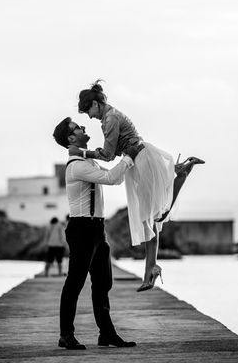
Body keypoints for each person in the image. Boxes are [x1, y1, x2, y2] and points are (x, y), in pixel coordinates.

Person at [71, 80, 205, 291]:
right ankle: (150, 268)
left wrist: (83, 153)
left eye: (88, 110)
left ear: (95, 104)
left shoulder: (110, 119)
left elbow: (107, 155)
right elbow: (114, 151)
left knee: (150, 217)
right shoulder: (110, 116)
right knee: (153, 217)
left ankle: (150, 269)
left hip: (140, 161)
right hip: (139, 158)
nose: (89, 116)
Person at [52, 117, 138, 350]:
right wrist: (129, 156)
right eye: (78, 128)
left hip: (96, 228)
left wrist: (125, 159)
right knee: (75, 283)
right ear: (71, 138)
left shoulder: (87, 161)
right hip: (82, 228)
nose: (83, 128)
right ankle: (66, 335)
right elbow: (111, 178)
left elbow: (116, 178)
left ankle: (107, 334)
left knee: (103, 283)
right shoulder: (77, 166)